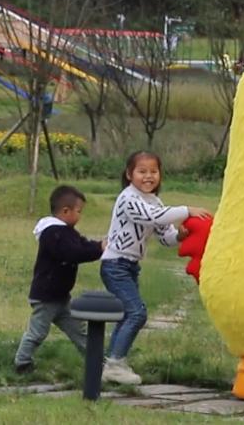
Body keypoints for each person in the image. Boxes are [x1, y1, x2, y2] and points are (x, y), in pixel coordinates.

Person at [99, 151, 212, 384]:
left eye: (153, 171)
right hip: (115, 264)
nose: (148, 176)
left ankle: (112, 363)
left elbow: (165, 237)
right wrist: (186, 210)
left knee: (128, 314)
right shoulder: (128, 198)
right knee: (137, 313)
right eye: (142, 171)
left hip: (130, 266)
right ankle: (114, 364)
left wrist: (181, 234)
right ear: (129, 174)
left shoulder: (154, 201)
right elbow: (152, 217)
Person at [14, 185, 106, 374]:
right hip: (46, 297)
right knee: (37, 333)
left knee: (79, 332)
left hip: (61, 297)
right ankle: (22, 362)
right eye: (79, 211)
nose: (80, 216)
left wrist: (99, 245)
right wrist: (99, 250)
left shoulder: (67, 232)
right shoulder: (54, 233)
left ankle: (99, 363)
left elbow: (82, 244)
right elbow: (73, 253)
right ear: (66, 211)